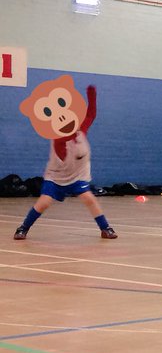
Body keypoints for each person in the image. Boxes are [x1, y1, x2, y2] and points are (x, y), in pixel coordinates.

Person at [14, 79, 116, 241]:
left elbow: (91, 114)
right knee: (44, 202)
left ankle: (105, 228)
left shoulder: (81, 130)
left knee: (89, 198)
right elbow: (63, 148)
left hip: (77, 177)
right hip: (56, 177)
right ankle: (23, 228)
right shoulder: (57, 139)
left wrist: (92, 95)